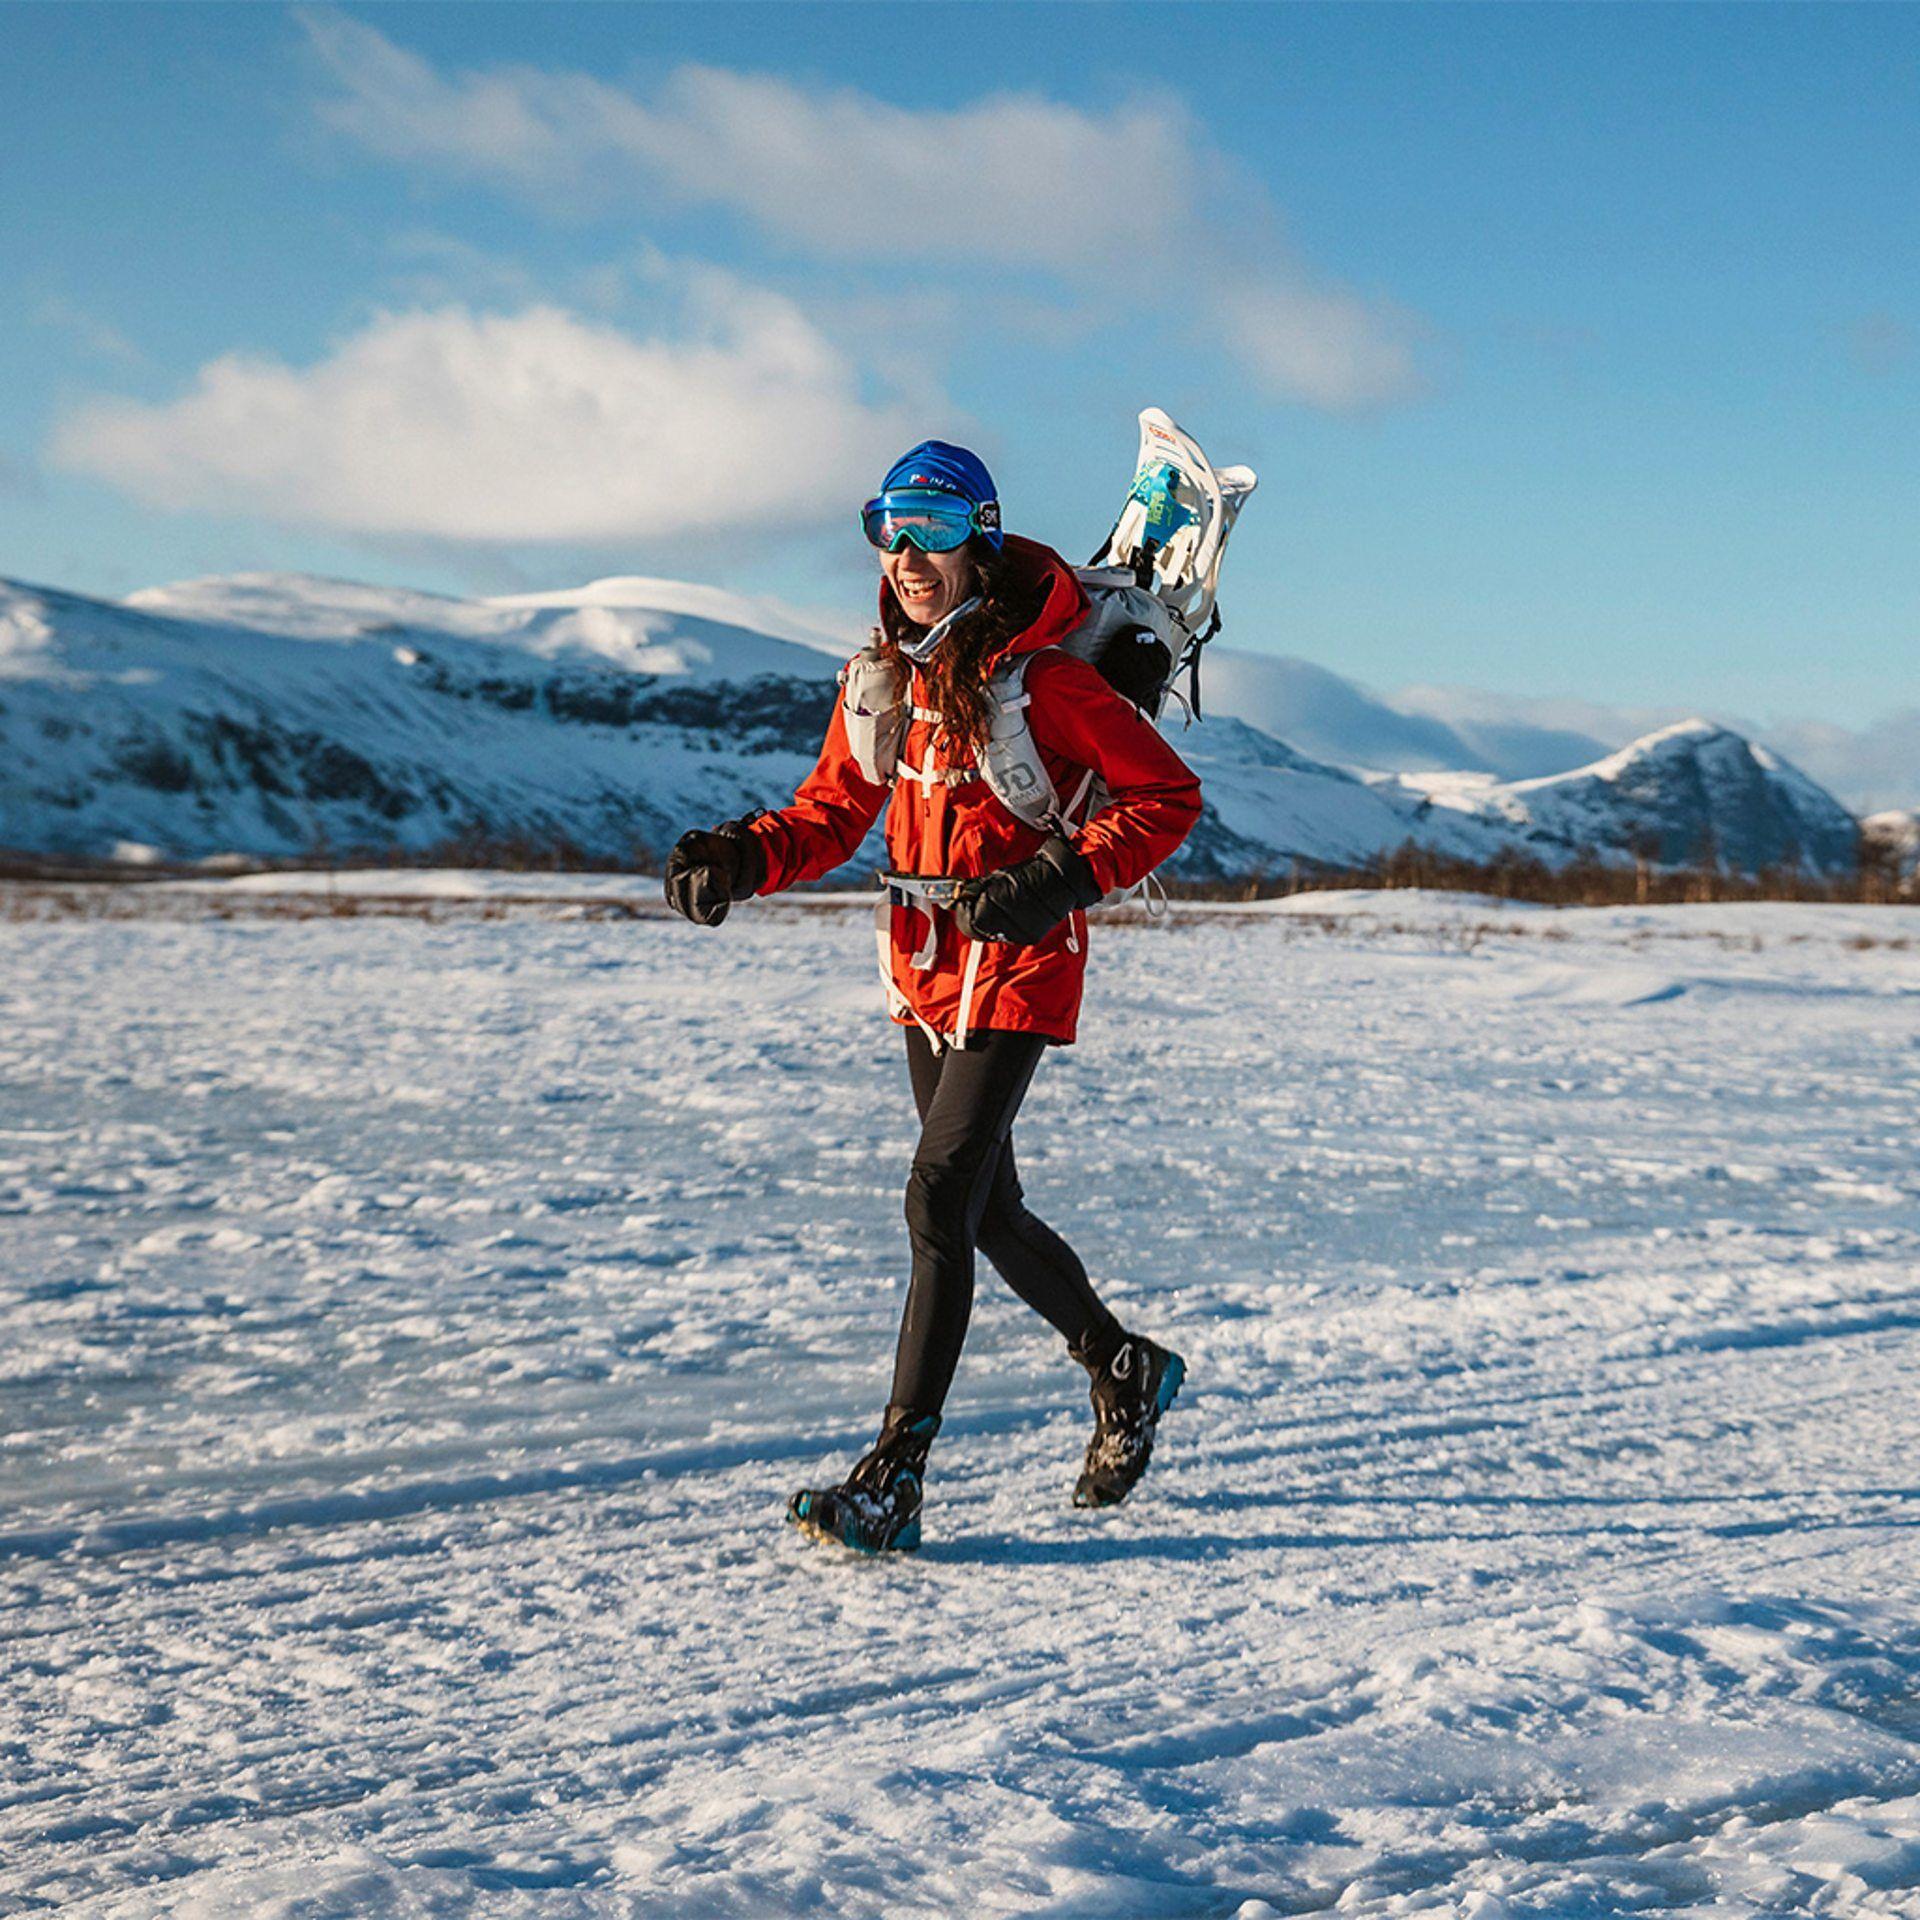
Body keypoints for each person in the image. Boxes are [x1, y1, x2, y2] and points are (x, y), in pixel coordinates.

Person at [664, 441, 1202, 1553]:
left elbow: (1164, 795)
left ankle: (896, 1474)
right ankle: (1122, 1364)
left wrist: (1055, 878)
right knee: (985, 1213)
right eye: (889, 527)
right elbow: (831, 811)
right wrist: (739, 856)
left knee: (936, 1198)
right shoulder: (883, 681)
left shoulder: (1043, 680)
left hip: (1022, 955)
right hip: (919, 962)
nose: (908, 553)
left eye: (935, 527)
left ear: (983, 538)